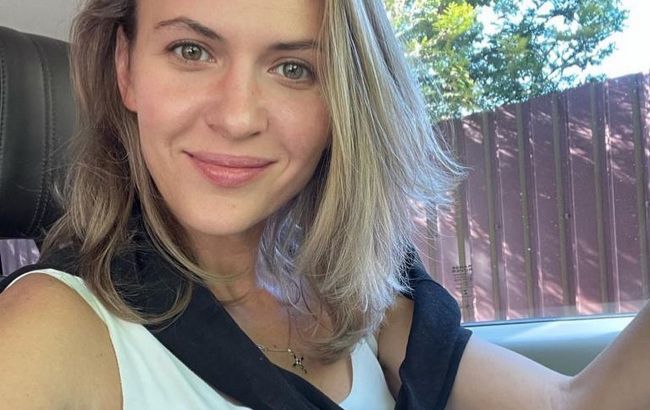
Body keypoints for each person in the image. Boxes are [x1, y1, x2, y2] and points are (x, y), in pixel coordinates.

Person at [1, 0, 649, 409]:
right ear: (126, 70)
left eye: (294, 69)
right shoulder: (43, 332)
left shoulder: (364, 297)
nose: (237, 117)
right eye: (191, 51)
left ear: (342, 101)